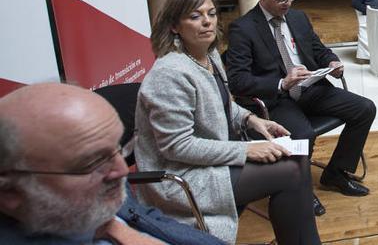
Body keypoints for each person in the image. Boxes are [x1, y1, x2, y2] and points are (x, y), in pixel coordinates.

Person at [135, 0, 320, 244]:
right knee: (290, 173)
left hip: (212, 160)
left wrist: (251, 119)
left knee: (296, 161)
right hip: (183, 176)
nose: (207, 21)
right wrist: (245, 151)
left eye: (211, 13)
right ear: (175, 26)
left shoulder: (209, 55)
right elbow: (177, 147)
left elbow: (222, 105)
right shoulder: (170, 73)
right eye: (195, 16)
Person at [0, 83, 225, 245]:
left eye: (120, 148)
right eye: (94, 162)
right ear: (10, 192)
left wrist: (117, 229)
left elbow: (147, 217)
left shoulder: (89, 196)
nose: (122, 171)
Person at [227, 0, 376, 203]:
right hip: (276, 99)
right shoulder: (243, 28)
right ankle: (301, 190)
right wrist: (281, 83)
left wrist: (331, 61)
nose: (288, 3)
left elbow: (317, 49)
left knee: (365, 108)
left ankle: (336, 173)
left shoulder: (298, 18)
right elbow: (237, 81)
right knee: (302, 134)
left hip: (310, 89)